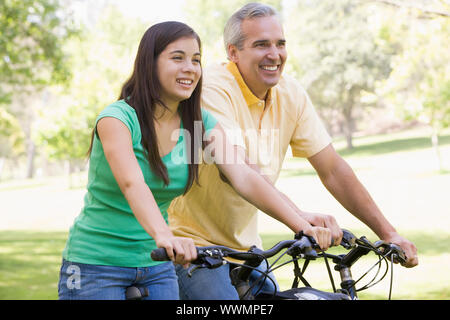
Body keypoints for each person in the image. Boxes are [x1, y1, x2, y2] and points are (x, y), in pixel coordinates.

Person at [58, 20, 330, 300]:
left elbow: (244, 177)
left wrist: (299, 224)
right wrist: (164, 235)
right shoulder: (117, 119)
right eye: (178, 58)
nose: (190, 67)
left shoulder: (199, 123)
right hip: (96, 264)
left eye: (196, 60)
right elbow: (132, 184)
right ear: (149, 64)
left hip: (156, 265)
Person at [168, 3, 419, 300]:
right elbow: (238, 172)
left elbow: (333, 169)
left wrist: (388, 233)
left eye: (280, 44)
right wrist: (301, 220)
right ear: (233, 53)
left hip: (247, 249)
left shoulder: (291, 93)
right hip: (189, 247)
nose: (274, 54)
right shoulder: (211, 88)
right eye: (261, 45)